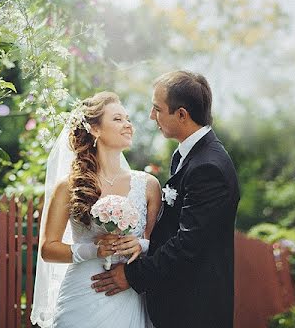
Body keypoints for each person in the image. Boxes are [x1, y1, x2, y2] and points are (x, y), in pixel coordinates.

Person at [91, 71, 240, 328]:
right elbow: (177, 227)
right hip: (180, 304)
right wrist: (144, 246)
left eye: (157, 109)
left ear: (182, 114)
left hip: (195, 310)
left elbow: (188, 244)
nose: (151, 117)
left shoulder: (208, 167)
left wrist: (131, 275)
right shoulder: (188, 156)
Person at [30, 91, 162, 328]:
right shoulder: (69, 186)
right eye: (118, 119)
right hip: (82, 293)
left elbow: (157, 245)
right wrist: (93, 250)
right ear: (95, 130)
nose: (128, 125)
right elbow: (48, 249)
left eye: (128, 119)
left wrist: (140, 245)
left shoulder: (148, 186)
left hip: (126, 293)